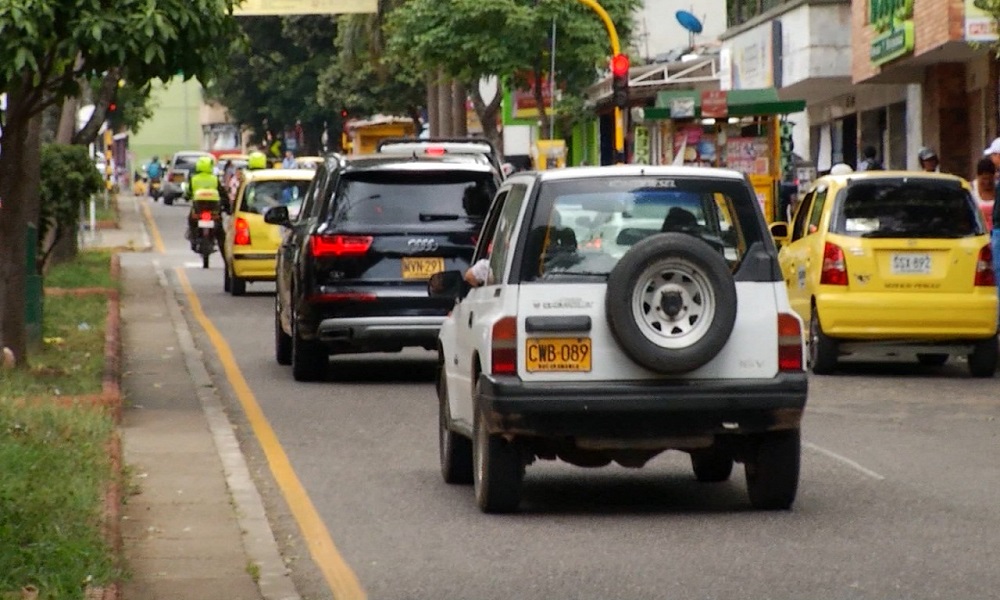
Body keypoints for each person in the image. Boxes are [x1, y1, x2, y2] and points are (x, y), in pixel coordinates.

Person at [184, 155, 225, 250]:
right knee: (220, 229)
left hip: (198, 207)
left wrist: (186, 197)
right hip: (213, 208)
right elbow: (222, 192)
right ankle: (221, 245)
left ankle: (193, 238)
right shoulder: (214, 179)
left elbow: (188, 192)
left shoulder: (194, 179)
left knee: (191, 221)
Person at [971, 157, 996, 230]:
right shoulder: (971, 189)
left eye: (990, 179)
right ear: (978, 176)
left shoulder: (998, 190)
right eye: (984, 179)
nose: (987, 182)